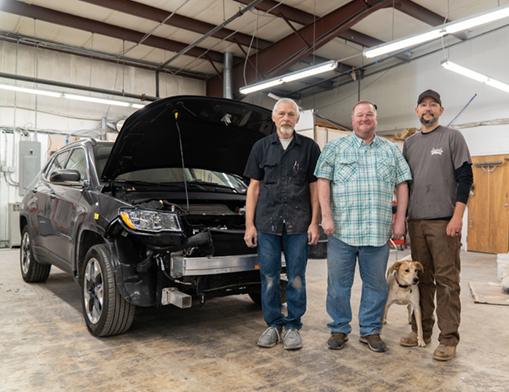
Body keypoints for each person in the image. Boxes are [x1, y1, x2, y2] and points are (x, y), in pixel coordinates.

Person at [315, 101, 412, 353]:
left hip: (377, 232)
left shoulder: (391, 150)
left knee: (376, 286)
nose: (365, 118)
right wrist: (325, 216)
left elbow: (403, 185)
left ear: (376, 119)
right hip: (342, 232)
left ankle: (370, 330)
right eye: (360, 115)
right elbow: (322, 181)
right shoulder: (335, 147)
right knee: (338, 285)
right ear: (352, 119)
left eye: (369, 115)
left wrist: (400, 219)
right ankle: (339, 328)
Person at [244, 98, 321, 350]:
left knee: (296, 277)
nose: (286, 118)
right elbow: (253, 188)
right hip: (266, 224)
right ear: (274, 117)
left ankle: (293, 327)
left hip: (298, 225)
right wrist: (249, 225)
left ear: (297, 119)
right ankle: (273, 325)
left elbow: (314, 189)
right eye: (282, 114)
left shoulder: (310, 148)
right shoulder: (260, 147)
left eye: (291, 114)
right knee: (268, 277)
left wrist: (314, 223)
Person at [401, 89, 473, 361]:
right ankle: (422, 330)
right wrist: (403, 220)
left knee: (446, 282)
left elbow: (465, 178)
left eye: (433, 105)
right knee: (420, 281)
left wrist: (458, 217)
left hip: (444, 222)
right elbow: (405, 185)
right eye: (423, 105)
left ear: (441, 110)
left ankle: (448, 339)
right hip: (416, 222)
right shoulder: (409, 143)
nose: (427, 109)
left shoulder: (453, 137)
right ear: (417, 111)